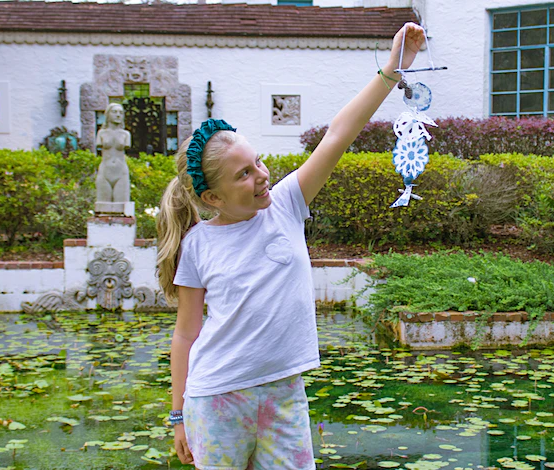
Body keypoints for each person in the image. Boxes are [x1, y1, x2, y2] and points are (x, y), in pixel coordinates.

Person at [156, 22, 425, 470]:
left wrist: (391, 71)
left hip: (284, 393)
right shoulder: (198, 246)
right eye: (243, 174)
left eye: (257, 161)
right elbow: (186, 333)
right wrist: (179, 414)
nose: (261, 174)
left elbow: (338, 134)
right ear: (212, 198)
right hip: (216, 398)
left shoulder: (285, 204)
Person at [95, 102, 131, 205]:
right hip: (105, 171)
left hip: (121, 172)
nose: (118, 115)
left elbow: (127, 145)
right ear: (107, 115)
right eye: (114, 112)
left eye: (121, 112)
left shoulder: (125, 134)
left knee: (122, 206)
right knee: (102, 206)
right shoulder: (101, 133)